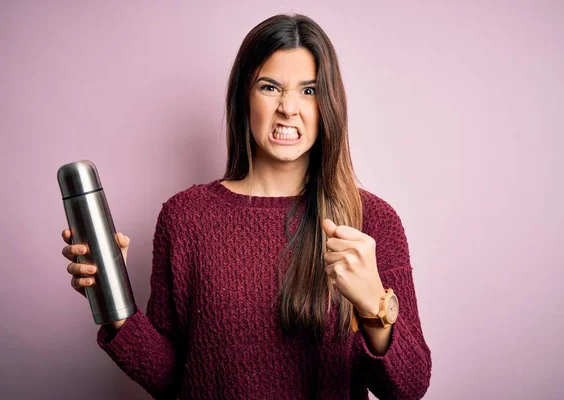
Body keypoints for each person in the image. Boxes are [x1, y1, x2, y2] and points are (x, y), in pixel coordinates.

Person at [61, 13, 431, 399]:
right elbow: (174, 379)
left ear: (329, 104)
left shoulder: (371, 221)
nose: (289, 108)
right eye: (270, 87)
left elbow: (409, 387)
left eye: (309, 90)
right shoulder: (186, 218)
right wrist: (115, 307)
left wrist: (374, 305)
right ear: (244, 96)